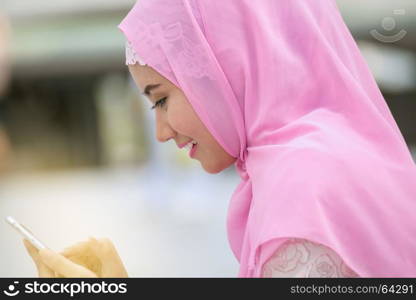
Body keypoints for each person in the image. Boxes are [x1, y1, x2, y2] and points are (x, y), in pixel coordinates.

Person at [25, 0, 416, 277]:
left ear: (225, 68)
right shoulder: (352, 156)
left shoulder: (302, 189)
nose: (161, 133)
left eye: (161, 99)